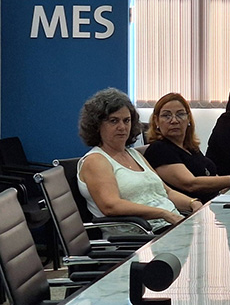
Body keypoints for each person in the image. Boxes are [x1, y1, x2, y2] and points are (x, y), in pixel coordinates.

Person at [77, 88, 203, 233]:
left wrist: (192, 203)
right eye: (113, 121)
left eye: (126, 120)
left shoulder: (134, 154)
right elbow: (111, 206)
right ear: (97, 125)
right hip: (141, 236)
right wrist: (163, 213)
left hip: (169, 227)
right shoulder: (96, 160)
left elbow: (166, 192)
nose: (122, 127)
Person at [144, 92, 230, 203]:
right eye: (166, 116)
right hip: (190, 211)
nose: (174, 121)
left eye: (180, 114)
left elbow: (211, 178)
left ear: (188, 119)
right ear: (156, 121)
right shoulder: (159, 149)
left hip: (215, 203)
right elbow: (190, 184)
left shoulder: (190, 148)